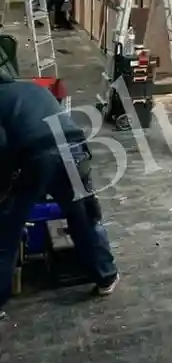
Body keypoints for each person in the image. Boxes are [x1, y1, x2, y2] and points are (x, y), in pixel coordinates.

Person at [0, 81, 119, 318]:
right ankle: (106, 276)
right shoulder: (32, 88)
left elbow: (2, 148)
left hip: (36, 156)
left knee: (6, 232)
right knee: (84, 216)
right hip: (73, 146)